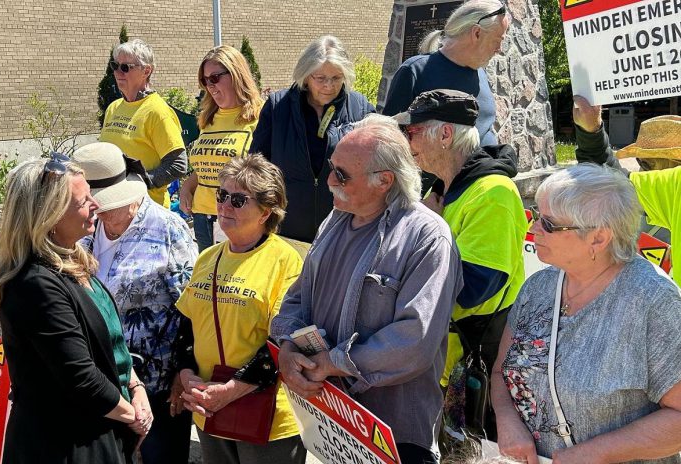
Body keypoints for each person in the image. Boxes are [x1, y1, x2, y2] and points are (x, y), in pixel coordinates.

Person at [271, 114, 463, 464]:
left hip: (395, 434)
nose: (328, 180)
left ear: (384, 181)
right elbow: (299, 296)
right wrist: (286, 346)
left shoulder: (427, 237)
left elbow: (414, 340)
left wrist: (334, 362)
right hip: (334, 422)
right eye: (332, 168)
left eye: (341, 174)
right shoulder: (336, 219)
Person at [492, 164, 681, 463]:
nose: (533, 229)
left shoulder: (653, 302)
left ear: (598, 238)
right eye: (536, 217)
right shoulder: (538, 287)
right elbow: (501, 371)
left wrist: (594, 453)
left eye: (549, 224)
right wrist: (508, 422)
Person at [0, 154, 151, 463]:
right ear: (49, 216)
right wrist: (134, 417)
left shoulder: (74, 261)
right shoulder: (35, 284)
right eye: (82, 201)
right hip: (66, 445)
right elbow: (82, 378)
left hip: (100, 428)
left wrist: (136, 387)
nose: (95, 205)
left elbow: (111, 348)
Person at [394, 89, 527, 438]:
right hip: (447, 367)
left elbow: (471, 289)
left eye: (412, 132)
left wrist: (427, 239)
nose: (407, 141)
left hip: (482, 372)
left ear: (446, 134)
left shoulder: (494, 193)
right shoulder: (441, 191)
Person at [176, 155, 307, 464]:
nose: (224, 206)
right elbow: (186, 326)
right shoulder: (207, 257)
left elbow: (283, 342)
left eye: (237, 199)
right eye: (222, 195)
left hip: (267, 417)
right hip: (209, 407)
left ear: (266, 210)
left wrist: (232, 390)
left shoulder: (285, 261)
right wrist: (186, 375)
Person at [73, 142, 198, 464]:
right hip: (101, 384)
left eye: (98, 202)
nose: (92, 208)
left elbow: (192, 310)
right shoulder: (82, 229)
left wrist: (183, 373)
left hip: (158, 383)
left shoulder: (168, 229)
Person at [250, 35, 375, 242]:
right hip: (287, 228)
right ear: (306, 75)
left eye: (336, 78)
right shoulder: (277, 107)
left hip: (343, 228)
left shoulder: (359, 107)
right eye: (320, 78)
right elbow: (257, 165)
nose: (329, 86)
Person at [573, 95, 681, 286]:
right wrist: (591, 132)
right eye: (642, 162)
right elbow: (611, 182)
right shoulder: (675, 184)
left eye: (647, 162)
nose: (644, 168)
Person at [382, 0, 509, 147]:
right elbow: (390, 140)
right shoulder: (414, 72)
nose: (499, 49)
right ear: (477, 33)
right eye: (498, 40)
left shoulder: (481, 73)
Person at [179, 45, 263, 251]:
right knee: (210, 280)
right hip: (203, 218)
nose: (210, 86)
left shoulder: (260, 116)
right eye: (205, 81)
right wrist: (187, 187)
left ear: (236, 75)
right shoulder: (207, 119)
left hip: (239, 216)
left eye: (215, 78)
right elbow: (208, 167)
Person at [100, 38, 187, 208]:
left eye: (125, 68)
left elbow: (178, 165)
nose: (118, 73)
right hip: (114, 207)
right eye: (114, 66)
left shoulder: (157, 111)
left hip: (147, 210)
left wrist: (138, 184)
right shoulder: (113, 108)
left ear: (146, 71)